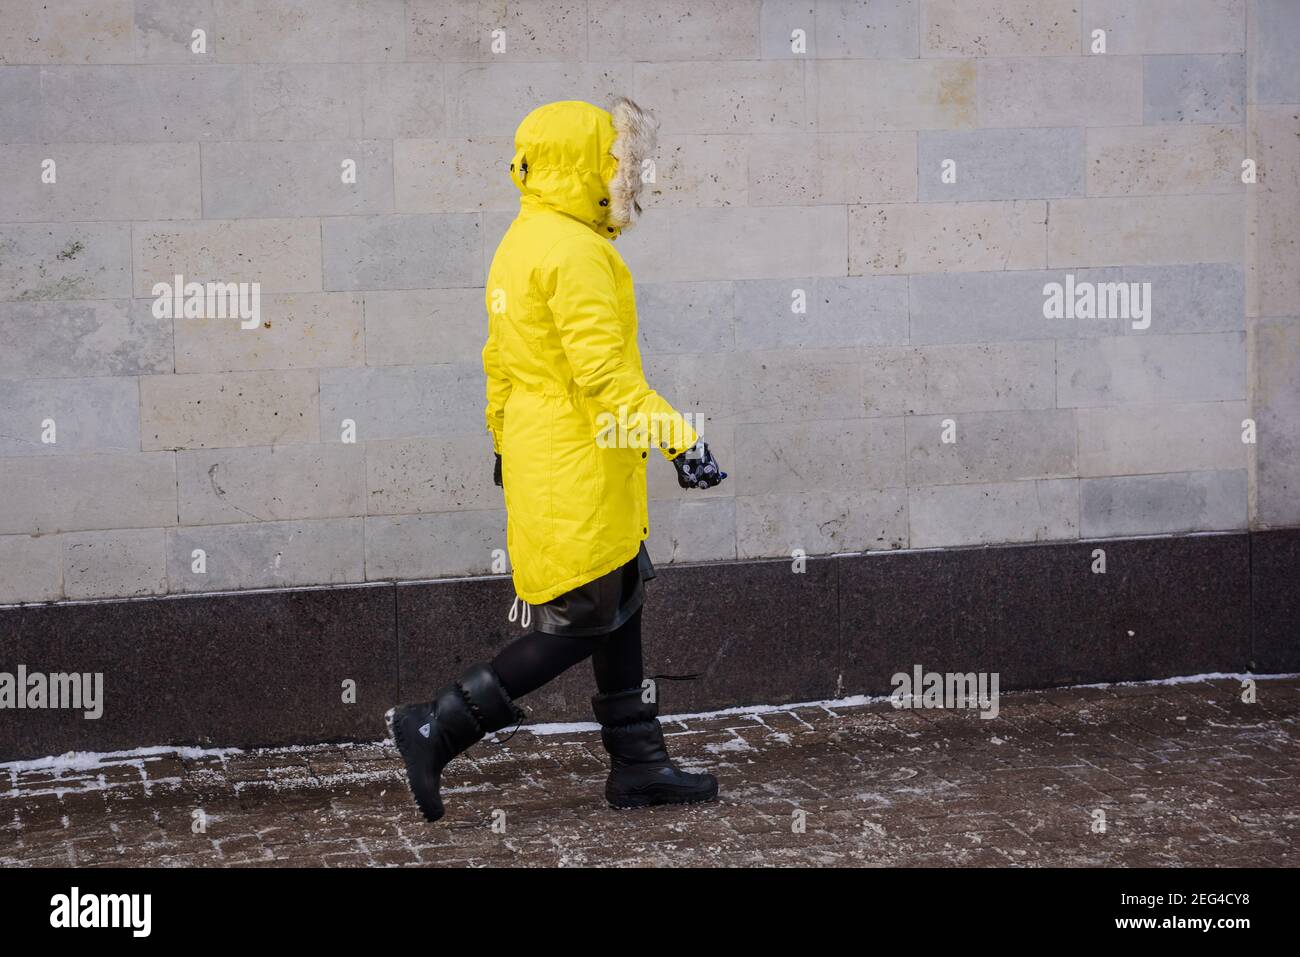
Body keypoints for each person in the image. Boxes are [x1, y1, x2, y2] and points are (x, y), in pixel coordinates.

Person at [387, 97, 728, 822]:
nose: (624, 174)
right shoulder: (575, 252)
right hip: (579, 455)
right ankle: (435, 724)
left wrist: (504, 443)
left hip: (557, 453)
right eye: (612, 159)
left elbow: (498, 363)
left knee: (622, 591)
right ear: (580, 165)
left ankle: (639, 763)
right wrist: (680, 437)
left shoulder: (526, 238)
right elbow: (605, 378)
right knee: (580, 616)